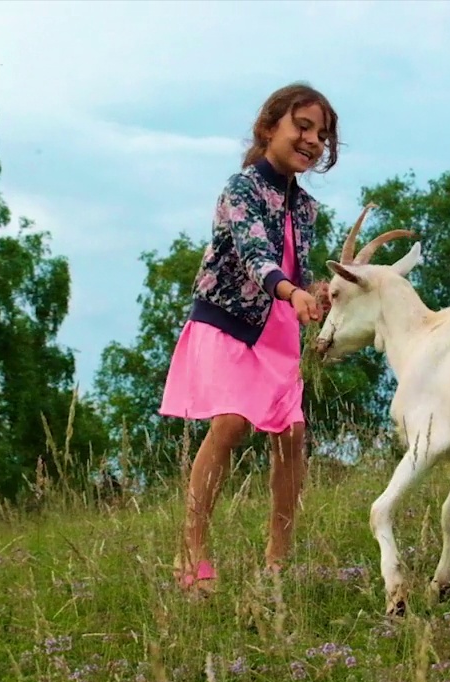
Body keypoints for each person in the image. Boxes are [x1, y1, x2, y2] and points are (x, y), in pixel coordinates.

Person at [158, 82, 336, 596]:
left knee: (292, 436)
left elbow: (293, 272)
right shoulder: (241, 188)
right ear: (269, 128)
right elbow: (256, 254)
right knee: (232, 422)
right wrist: (287, 289)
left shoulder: (305, 208)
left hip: (278, 326)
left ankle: (278, 561)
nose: (312, 140)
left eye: (320, 134)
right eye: (302, 127)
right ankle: (191, 555)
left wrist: (314, 293)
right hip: (228, 319)